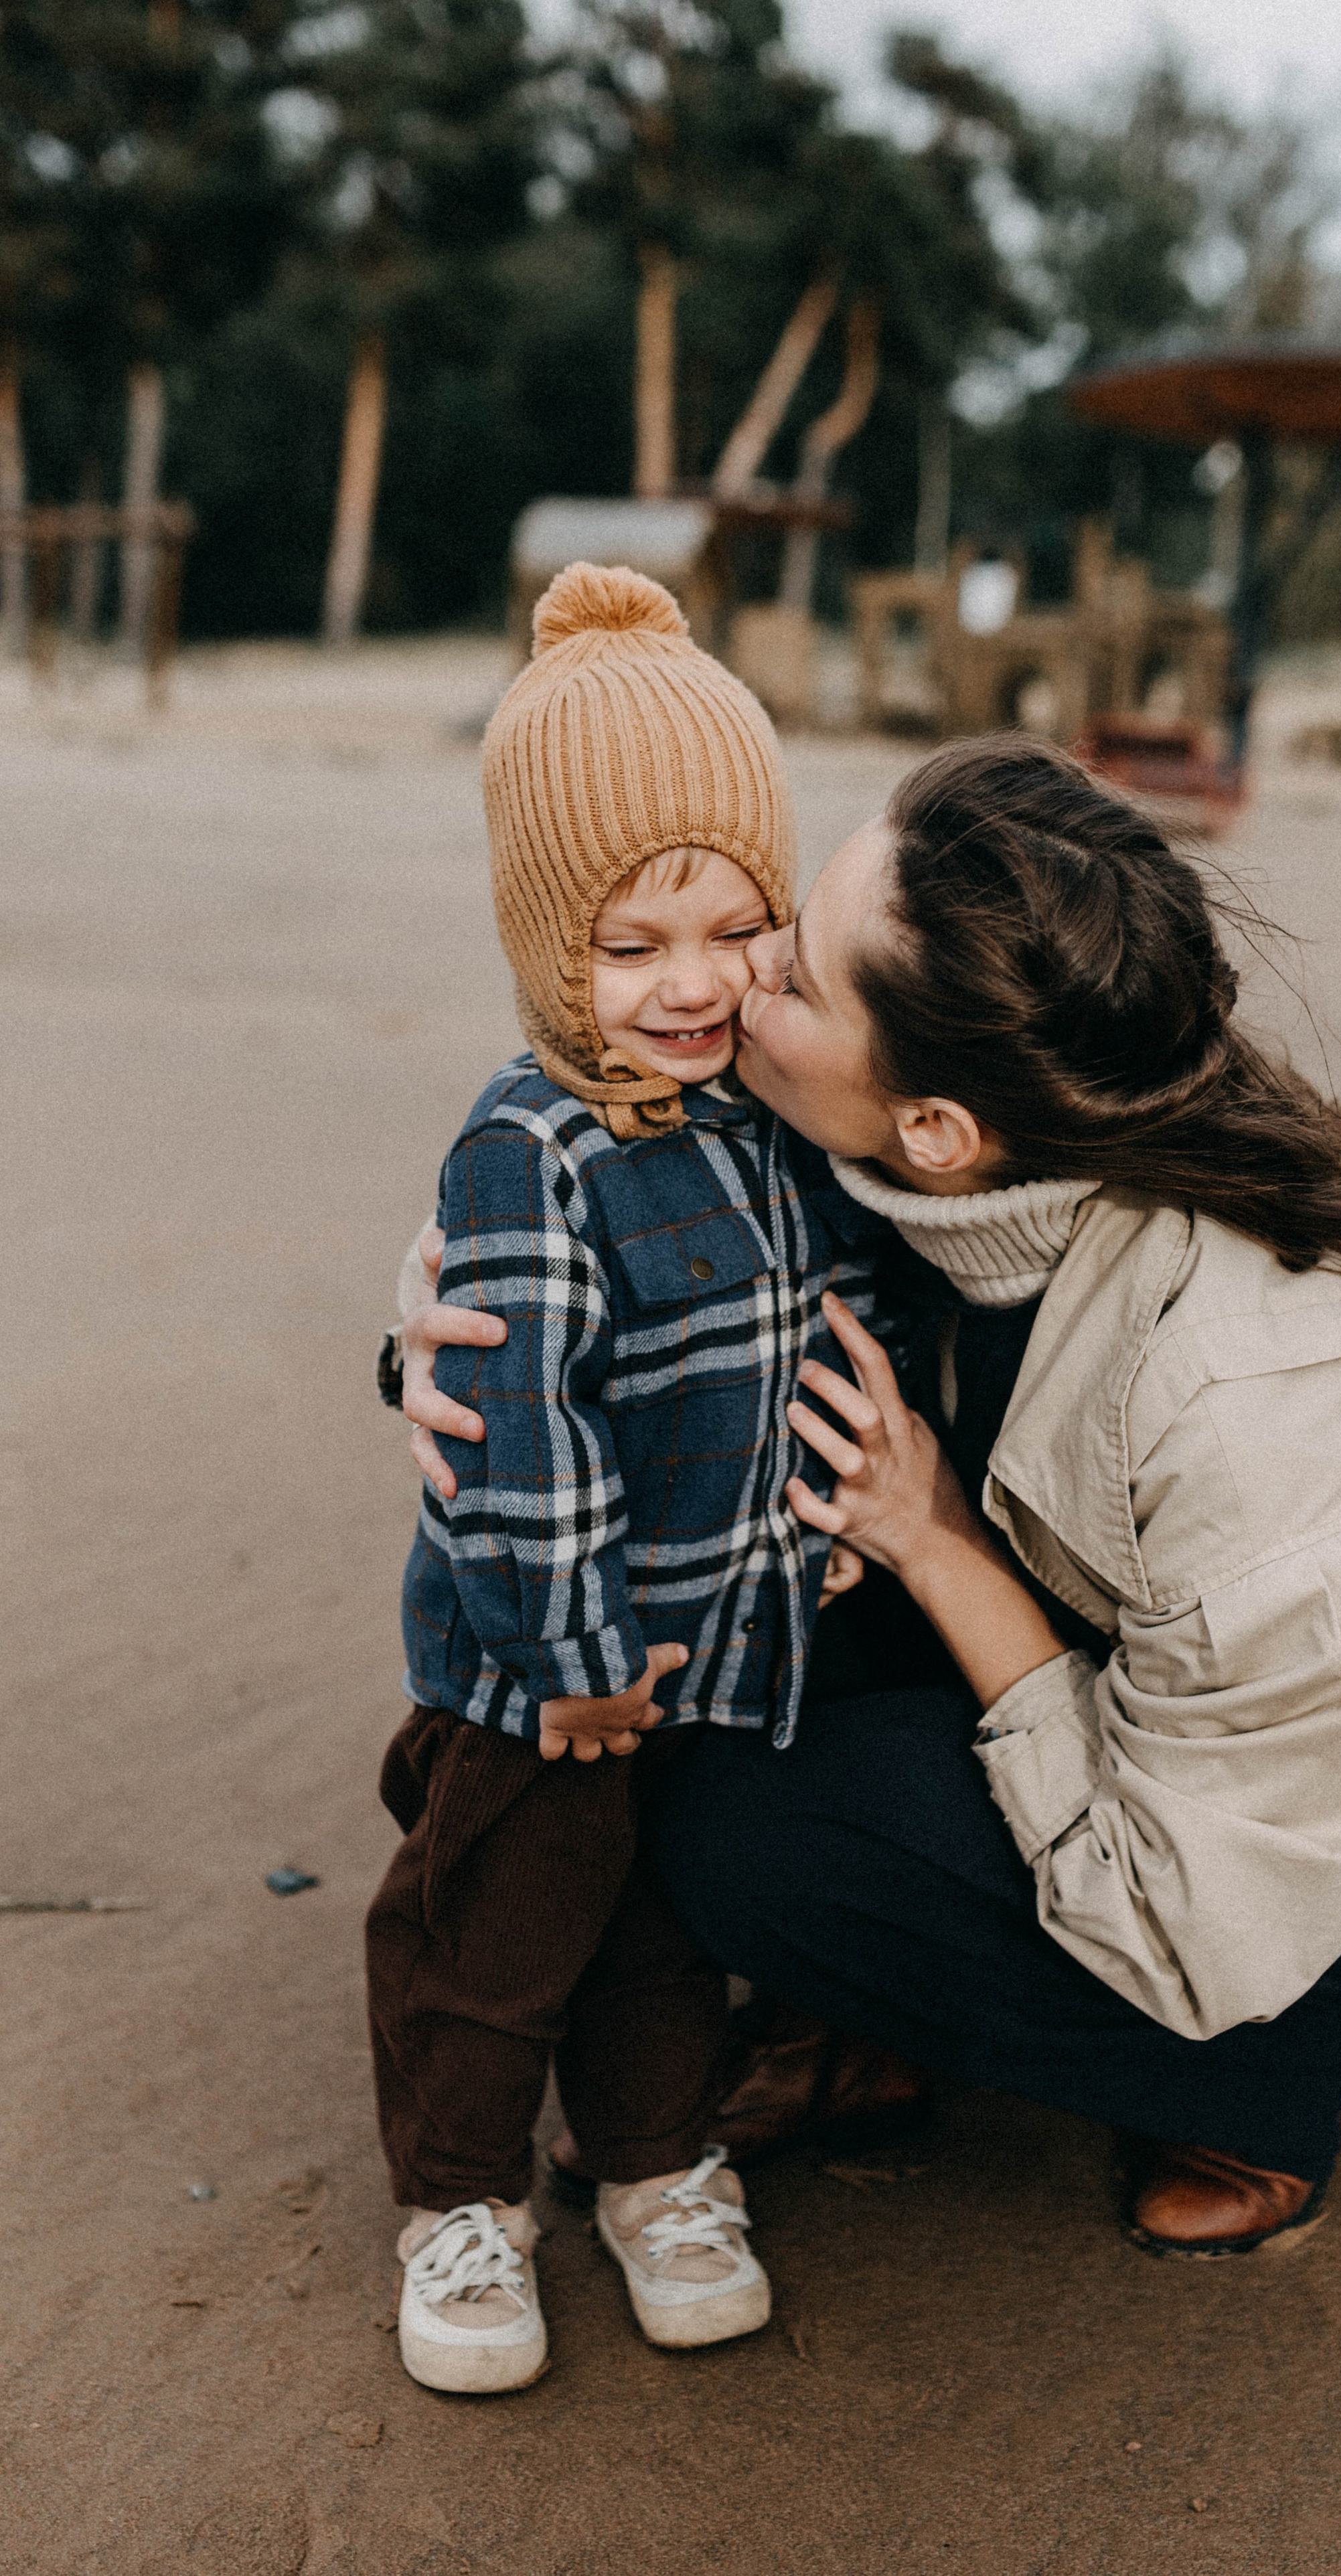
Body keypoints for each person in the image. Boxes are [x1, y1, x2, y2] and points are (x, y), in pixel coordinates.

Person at [401, 732, 1341, 2263]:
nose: (742, 977)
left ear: (936, 1131)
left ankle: (1262, 2076)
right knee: (764, 1555)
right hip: (1261, 1648)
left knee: (736, 1829)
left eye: (798, 977)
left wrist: (940, 1543)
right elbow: (646, 1269)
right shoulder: (1010, 1115)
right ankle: (891, 2011)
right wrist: (453, 1333)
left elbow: (1190, 1898)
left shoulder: (1261, 1405)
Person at [370, 560, 878, 2395]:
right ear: (544, 943)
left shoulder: (776, 1123)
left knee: (662, 1932)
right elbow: (520, 1437)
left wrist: (834, 1536)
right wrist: (576, 1658)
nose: (690, 986)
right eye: (629, 943)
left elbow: (840, 1326)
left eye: (735, 930)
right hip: (549, 1672)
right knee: (500, 1929)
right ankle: (458, 2199)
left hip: (715, 1655)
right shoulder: (530, 1157)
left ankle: (654, 2167)